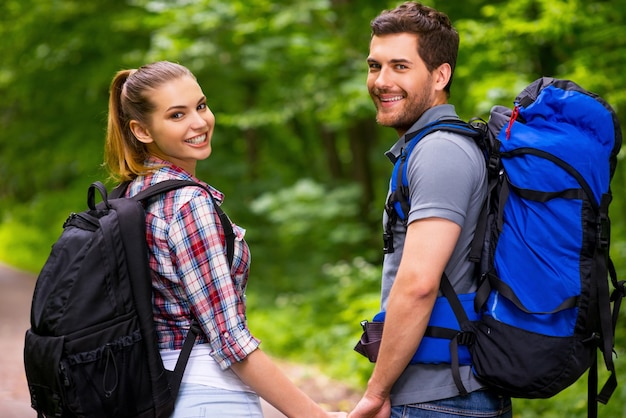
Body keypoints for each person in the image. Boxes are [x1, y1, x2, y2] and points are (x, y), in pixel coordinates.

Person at [104, 60, 346, 418]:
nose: (199, 122)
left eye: (200, 106)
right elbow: (231, 341)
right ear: (141, 130)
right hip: (209, 396)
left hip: (158, 391)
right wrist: (317, 415)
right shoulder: (188, 204)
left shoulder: (130, 195)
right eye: (176, 115)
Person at [348, 3, 512, 418]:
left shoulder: (440, 152)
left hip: (441, 399)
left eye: (400, 66)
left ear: (440, 75)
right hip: (447, 394)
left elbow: (419, 283)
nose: (381, 81)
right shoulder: (430, 147)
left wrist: (376, 391)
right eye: (374, 66)